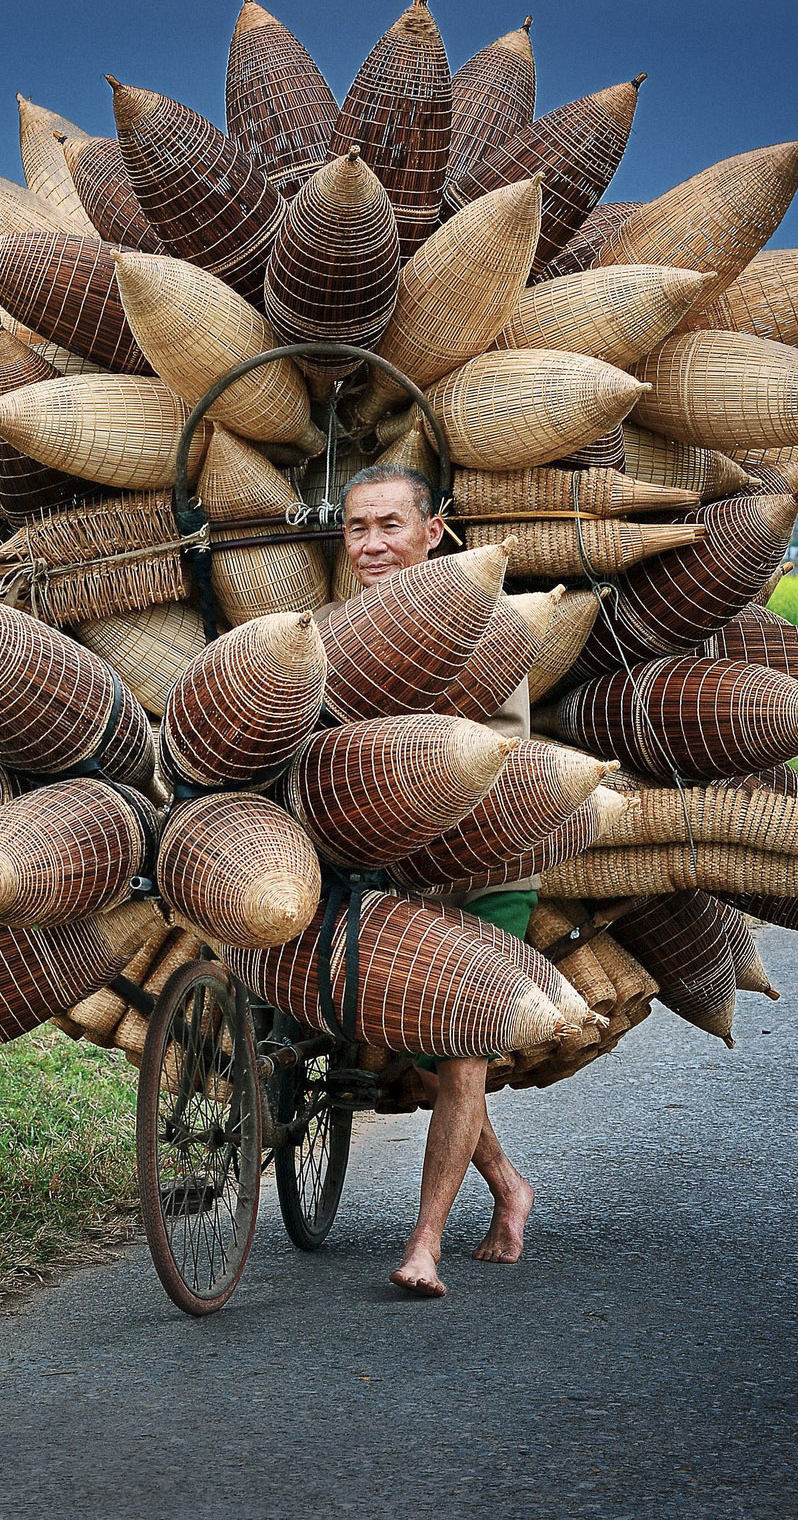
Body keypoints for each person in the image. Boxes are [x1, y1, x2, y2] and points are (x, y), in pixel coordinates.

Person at [337, 462, 536, 1300]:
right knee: (416, 1046)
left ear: (434, 531)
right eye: (358, 528)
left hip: (490, 855)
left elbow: (489, 755)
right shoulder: (331, 630)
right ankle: (509, 1186)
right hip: (398, 866)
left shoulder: (484, 624)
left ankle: (424, 1244)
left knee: (458, 1048)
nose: (374, 543)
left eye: (391, 524)